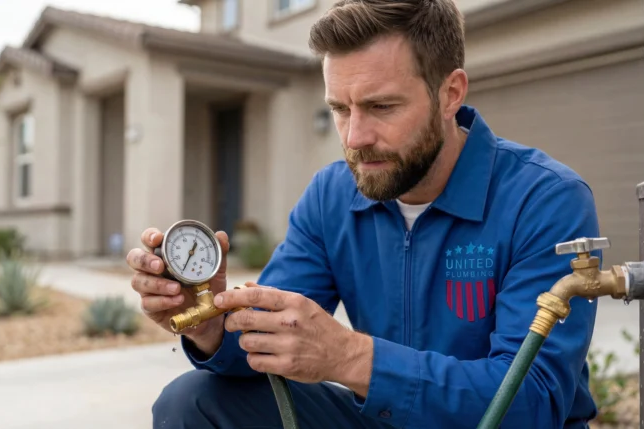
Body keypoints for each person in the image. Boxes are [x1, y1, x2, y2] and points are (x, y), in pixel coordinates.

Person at [127, 1, 601, 427]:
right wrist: (209, 325)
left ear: (450, 93)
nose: (354, 137)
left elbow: (532, 404)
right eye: (339, 108)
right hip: (381, 419)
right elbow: (267, 342)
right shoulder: (332, 195)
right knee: (192, 402)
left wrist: (351, 359)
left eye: (381, 106)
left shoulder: (544, 200)